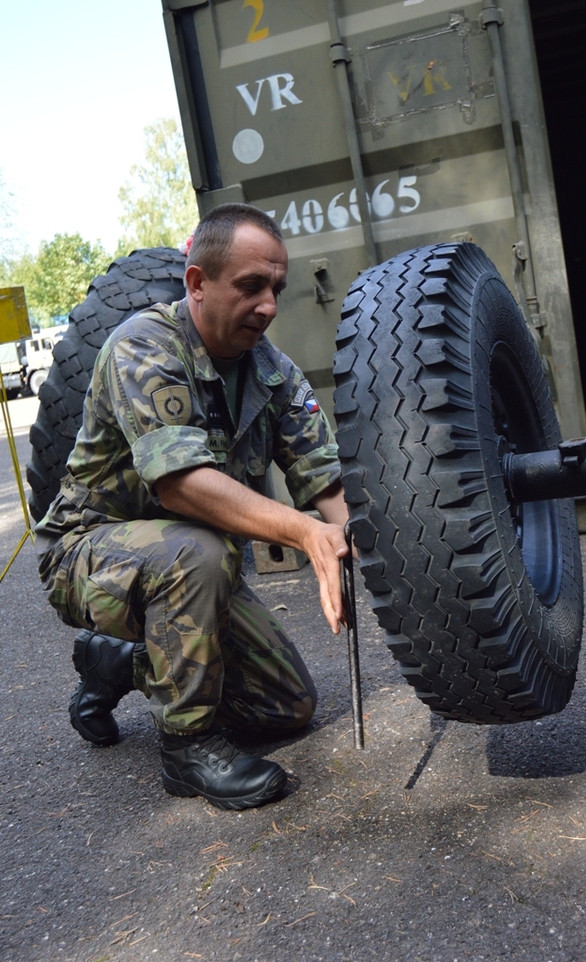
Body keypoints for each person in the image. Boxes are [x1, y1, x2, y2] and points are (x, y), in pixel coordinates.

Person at [35, 203, 351, 811]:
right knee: (200, 551)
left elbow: (324, 480)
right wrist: (306, 533)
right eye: (251, 286)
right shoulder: (143, 346)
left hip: (192, 572)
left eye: (277, 289)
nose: (269, 306)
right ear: (198, 282)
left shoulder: (273, 373)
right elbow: (181, 485)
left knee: (286, 707)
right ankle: (189, 749)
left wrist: (355, 539)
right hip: (88, 554)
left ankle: (120, 664)